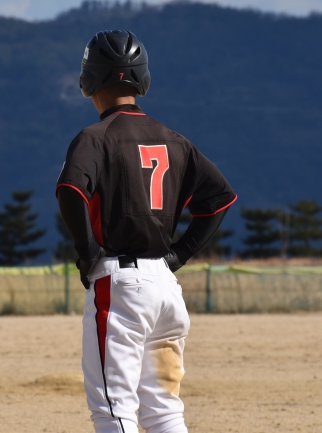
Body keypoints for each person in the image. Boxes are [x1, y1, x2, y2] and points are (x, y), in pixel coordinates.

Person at [56, 30, 236, 433]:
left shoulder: (95, 138)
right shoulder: (174, 139)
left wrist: (87, 252)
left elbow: (70, 189)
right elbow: (220, 199)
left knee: (113, 409)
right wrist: (180, 253)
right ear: (142, 78)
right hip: (166, 289)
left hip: (120, 285)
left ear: (89, 79)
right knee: (164, 412)